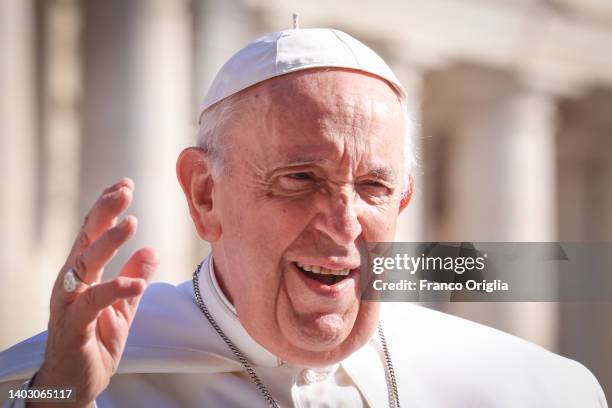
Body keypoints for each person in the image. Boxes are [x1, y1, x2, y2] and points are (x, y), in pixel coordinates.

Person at [0, 27, 607, 408]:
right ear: (206, 196)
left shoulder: (534, 389)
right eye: (300, 179)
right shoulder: (59, 379)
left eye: (373, 186)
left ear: (402, 202)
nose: (342, 224)